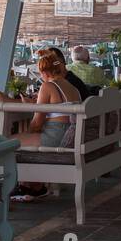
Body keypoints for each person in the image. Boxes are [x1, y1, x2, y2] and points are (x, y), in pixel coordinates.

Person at [11, 52, 80, 202]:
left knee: (8, 141)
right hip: (69, 134)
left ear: (44, 72)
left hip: (55, 136)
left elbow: (36, 123)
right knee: (24, 138)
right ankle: (34, 187)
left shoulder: (48, 86)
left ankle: (12, 187)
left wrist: (27, 135)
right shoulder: (73, 88)